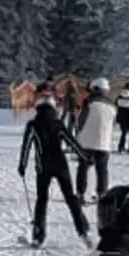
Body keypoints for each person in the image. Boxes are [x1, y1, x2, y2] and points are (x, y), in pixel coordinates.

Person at [20, 98, 93, 247]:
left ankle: (38, 236)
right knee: (70, 198)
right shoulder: (57, 123)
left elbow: (26, 145)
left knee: (42, 200)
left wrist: (22, 165)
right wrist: (85, 157)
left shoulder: (33, 125)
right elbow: (71, 141)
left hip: (43, 167)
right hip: (61, 166)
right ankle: (83, 230)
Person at [74, 78, 117, 201]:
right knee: (102, 169)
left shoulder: (89, 102)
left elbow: (81, 120)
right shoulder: (112, 105)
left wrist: (78, 133)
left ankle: (80, 193)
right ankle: (101, 193)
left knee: (83, 167)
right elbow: (113, 123)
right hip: (104, 142)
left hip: (87, 142)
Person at [114, 83, 129, 153]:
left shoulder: (119, 96)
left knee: (124, 132)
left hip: (120, 117)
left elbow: (115, 106)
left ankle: (120, 147)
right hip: (127, 118)